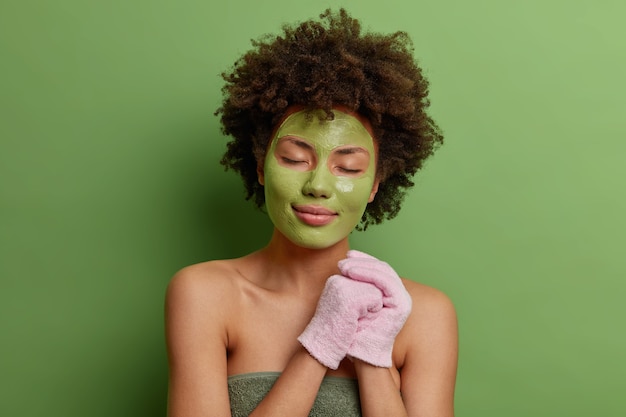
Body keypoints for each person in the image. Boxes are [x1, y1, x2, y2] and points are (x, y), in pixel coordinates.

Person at [165, 8, 458, 417]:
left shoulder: (425, 314)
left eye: (349, 168)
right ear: (259, 166)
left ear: (375, 184)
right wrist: (320, 345)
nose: (318, 185)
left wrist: (372, 354)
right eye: (294, 158)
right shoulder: (205, 294)